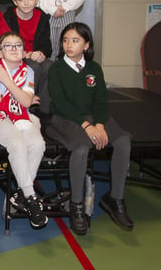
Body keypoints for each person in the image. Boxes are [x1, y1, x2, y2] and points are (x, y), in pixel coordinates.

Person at [47, 22, 133, 235]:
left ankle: (116, 198)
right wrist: (87, 126)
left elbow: (101, 102)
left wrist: (100, 124)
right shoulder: (56, 68)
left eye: (75, 41)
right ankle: (77, 206)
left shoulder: (94, 68)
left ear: (86, 45)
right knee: (82, 147)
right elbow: (60, 102)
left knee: (123, 140)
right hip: (63, 118)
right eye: (65, 40)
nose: (69, 44)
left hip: (93, 117)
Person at [0, 32, 48, 229]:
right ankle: (31, 199)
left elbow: (26, 102)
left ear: (25, 51)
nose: (14, 48)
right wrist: (20, 97)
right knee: (17, 143)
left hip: (22, 116)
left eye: (18, 45)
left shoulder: (29, 71)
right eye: (8, 46)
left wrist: (8, 84)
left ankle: (20, 195)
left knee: (38, 144)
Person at [4, 0, 52, 114]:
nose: (26, 3)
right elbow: (7, 45)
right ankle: (25, 107)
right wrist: (27, 54)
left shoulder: (42, 17)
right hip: (17, 56)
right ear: (14, 1)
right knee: (33, 67)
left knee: (49, 66)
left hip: (37, 55)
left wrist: (42, 53)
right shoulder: (8, 17)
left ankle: (44, 110)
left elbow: (47, 45)